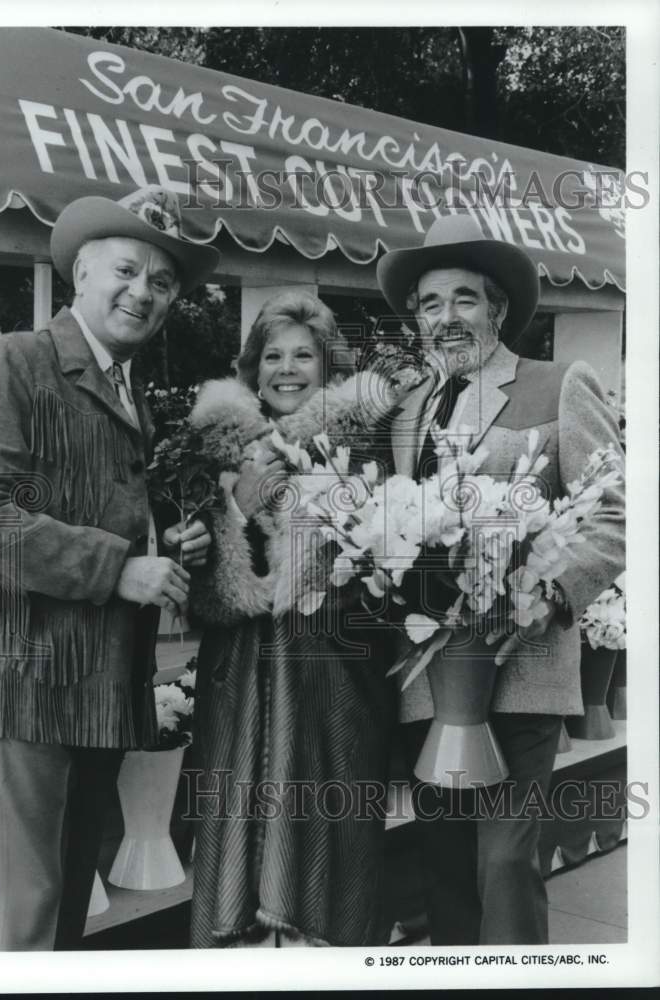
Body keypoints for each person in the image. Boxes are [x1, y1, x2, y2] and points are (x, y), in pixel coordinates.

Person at [0, 185, 219, 950]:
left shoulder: (128, 392)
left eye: (163, 284)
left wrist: (165, 540)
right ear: (82, 275)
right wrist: (118, 568)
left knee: (61, 917)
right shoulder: (12, 362)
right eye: (128, 271)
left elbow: (90, 505)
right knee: (20, 921)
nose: (145, 293)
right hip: (18, 687)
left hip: (94, 690)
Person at [376, 212, 625, 945]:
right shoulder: (406, 411)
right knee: (445, 864)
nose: (445, 318)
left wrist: (549, 592)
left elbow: (614, 508)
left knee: (505, 864)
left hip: (521, 668)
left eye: (462, 299)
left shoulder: (557, 384)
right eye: (429, 304)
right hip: (426, 682)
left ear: (498, 309)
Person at [186, 290, 398, 947]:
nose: (286, 368)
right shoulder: (220, 452)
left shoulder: (365, 449)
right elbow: (206, 597)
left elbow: (385, 582)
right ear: (253, 369)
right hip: (242, 686)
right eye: (272, 355)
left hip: (335, 684)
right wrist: (241, 512)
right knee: (237, 839)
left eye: (303, 355)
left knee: (331, 844)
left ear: (327, 367)